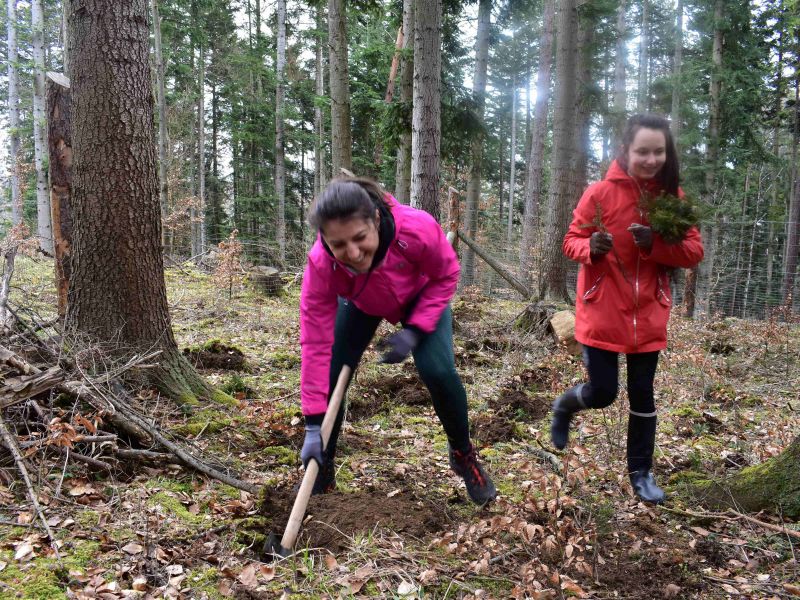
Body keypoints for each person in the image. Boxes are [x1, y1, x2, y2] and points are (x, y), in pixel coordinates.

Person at [298, 176, 497, 505]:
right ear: (325, 240)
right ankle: (323, 474)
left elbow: (446, 273)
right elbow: (315, 341)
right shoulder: (322, 264)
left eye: (360, 238)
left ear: (376, 218)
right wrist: (312, 423)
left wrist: (416, 330)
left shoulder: (415, 228)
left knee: (438, 371)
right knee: (333, 373)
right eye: (339, 245)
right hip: (360, 301)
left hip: (420, 294)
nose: (353, 252)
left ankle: (463, 455)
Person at [551, 114, 704, 504]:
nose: (651, 159)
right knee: (603, 392)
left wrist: (655, 244)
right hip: (602, 308)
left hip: (649, 312)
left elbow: (693, 252)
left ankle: (641, 472)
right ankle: (566, 405)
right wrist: (590, 249)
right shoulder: (599, 193)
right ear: (625, 150)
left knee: (642, 393)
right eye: (643, 151)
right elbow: (571, 240)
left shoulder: (674, 201)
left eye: (658, 151)